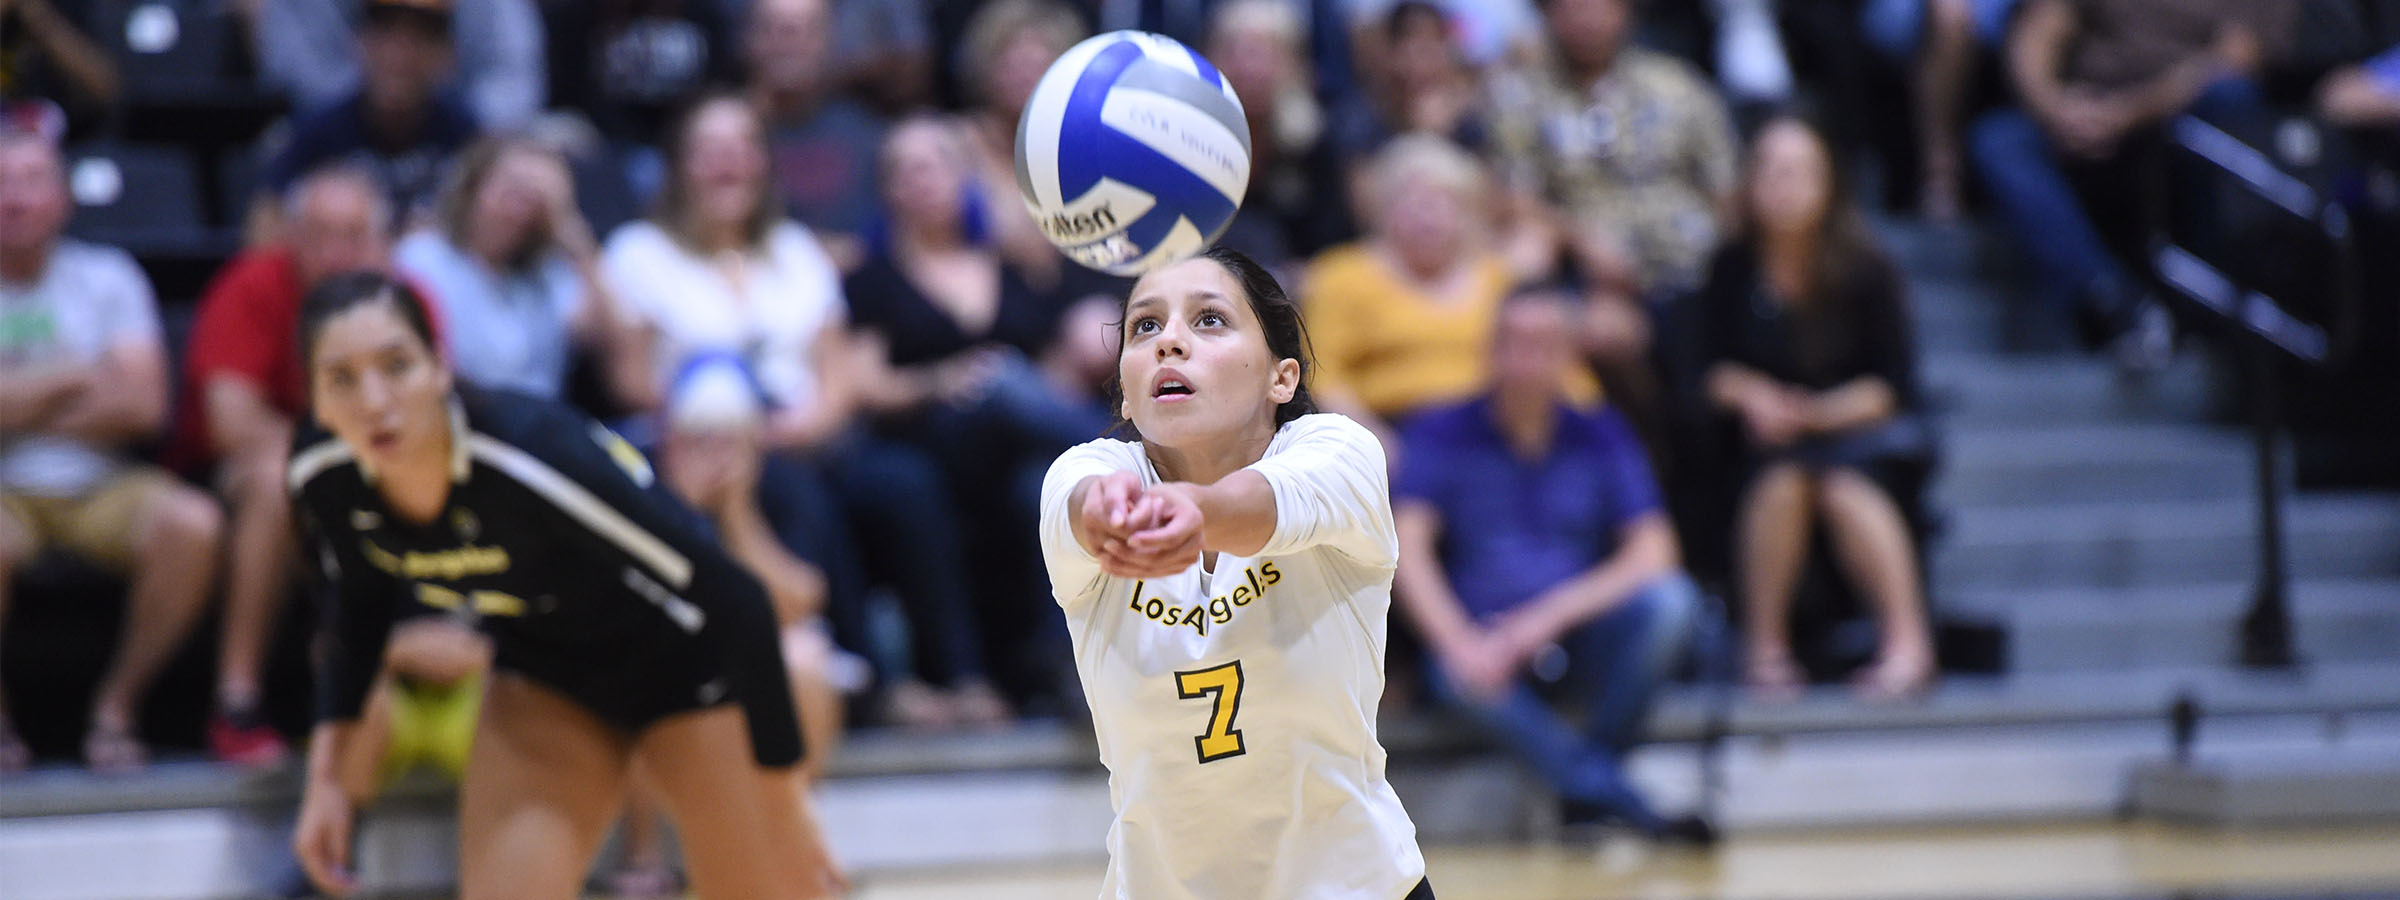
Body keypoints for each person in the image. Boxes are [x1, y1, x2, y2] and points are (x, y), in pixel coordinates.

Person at [286, 273, 843, 900]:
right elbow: (358, 605)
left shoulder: (528, 453)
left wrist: (785, 802)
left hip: (690, 665)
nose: (375, 401)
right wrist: (327, 783)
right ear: (315, 399)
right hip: (548, 675)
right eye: (342, 379)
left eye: (397, 365)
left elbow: (737, 599)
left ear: (441, 367)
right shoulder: (323, 472)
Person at [1038, 247, 1432, 899]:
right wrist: (1101, 514)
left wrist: (1192, 512)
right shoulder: (1083, 475)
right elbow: (1081, 506)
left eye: (1209, 320)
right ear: (1127, 396)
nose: (1169, 342)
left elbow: (1260, 506)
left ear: (1282, 378)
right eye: (1145, 326)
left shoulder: (1341, 454)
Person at [603, 94, 988, 729]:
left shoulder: (795, 252)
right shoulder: (640, 253)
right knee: (801, 495)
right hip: (697, 439)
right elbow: (632, 380)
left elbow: (834, 376)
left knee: (905, 485)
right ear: (679, 166)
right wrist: (729, 425)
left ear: (762, 164)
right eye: (709, 150)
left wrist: (809, 423)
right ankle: (861, 683)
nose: (727, 164)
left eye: (741, 148)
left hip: (799, 429)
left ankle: (959, 675)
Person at [1393, 286, 1712, 843]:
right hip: (1480, 644)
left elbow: (1655, 551)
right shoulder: (1441, 430)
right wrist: (1459, 642)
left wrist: (1542, 621)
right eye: (1508, 342)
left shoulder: (1601, 431)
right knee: (1452, 676)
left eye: (1540, 344)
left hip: (1577, 638)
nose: (1520, 358)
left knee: (1673, 603)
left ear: (1570, 356)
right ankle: (1616, 798)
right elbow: (1406, 549)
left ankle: (1588, 789)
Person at [847, 115, 1110, 718]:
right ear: (886, 190)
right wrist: (941, 380)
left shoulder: (1008, 265)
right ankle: (1130, 450)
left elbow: (1052, 367)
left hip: (1012, 450)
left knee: (1041, 486)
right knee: (998, 385)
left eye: (936, 164)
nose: (923, 180)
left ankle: (1063, 666)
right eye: (906, 170)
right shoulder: (873, 277)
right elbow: (865, 385)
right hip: (927, 438)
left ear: (962, 175)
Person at [0, 132, 222, 773]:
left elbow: (143, 407)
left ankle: (117, 707)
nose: (16, 198)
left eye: (32, 180)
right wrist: (70, 379)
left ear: (63, 197)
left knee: (193, 525)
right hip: (7, 490)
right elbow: (109, 394)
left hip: (103, 485)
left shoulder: (108, 278)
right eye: (3, 182)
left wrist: (15, 404)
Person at [1694, 115, 1936, 699]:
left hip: (1852, 432)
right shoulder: (1729, 267)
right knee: (1781, 482)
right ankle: (1765, 648)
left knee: (1843, 486)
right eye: (1772, 171)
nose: (1786, 185)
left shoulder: (1867, 267)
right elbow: (1704, 368)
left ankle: (1908, 645)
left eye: (1800, 172)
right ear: (1750, 184)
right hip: (1759, 442)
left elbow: (1892, 383)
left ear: (1829, 184)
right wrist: (1754, 396)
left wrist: (1818, 413)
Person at [183, 165, 399, 767]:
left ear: (380, 244)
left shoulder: (402, 302)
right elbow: (231, 423)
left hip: (361, 476)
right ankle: (238, 699)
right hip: (235, 477)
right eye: (321, 235)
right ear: (290, 238)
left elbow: (431, 419)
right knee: (281, 479)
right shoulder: (253, 284)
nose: (337, 254)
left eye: (354, 236)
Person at [1967, 0, 2288, 371]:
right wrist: (2053, 107)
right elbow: (2039, 30)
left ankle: (2208, 311)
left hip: (2179, 117)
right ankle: (2110, 299)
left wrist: (2126, 113)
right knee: (1999, 140)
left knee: (2230, 95)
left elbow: (2235, 59)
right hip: (2084, 112)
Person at [1304, 135, 1598, 457]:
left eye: (1441, 202)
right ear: (1383, 209)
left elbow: (1563, 369)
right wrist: (1371, 444)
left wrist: (1586, 434)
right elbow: (1322, 375)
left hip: (1501, 440)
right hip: (1390, 437)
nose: (1426, 215)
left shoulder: (1503, 279)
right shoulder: (1340, 276)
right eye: (1411, 201)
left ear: (1467, 214)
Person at [1492, 0, 1741, 301]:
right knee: (1525, 249)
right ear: (1548, 13)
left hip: (1689, 257)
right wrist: (1581, 242)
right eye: (1572, 7)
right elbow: (1517, 199)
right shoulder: (1521, 95)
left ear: (1627, 12)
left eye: (1601, 6)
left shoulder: (1676, 84)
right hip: (1584, 269)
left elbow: (1724, 186)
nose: (1586, 19)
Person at [395, 134, 625, 400]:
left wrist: (577, 241)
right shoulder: (423, 258)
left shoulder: (547, 274)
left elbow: (606, 339)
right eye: (511, 191)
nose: (519, 210)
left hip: (538, 425)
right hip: (459, 414)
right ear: (474, 186)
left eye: (535, 200)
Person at [255, 0, 482, 240]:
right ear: (358, 42)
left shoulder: (466, 134)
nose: (399, 55)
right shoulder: (319, 129)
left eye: (419, 40)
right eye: (386, 35)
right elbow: (265, 224)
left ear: (446, 55)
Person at [245, 0, 547, 130]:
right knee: (277, 139)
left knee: (555, 145)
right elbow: (298, 73)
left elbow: (514, 82)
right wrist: (381, 103)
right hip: (341, 130)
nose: (402, 49)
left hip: (464, 135)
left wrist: (446, 119)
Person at [747, 0, 890, 272]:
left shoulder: (866, 133)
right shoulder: (720, 134)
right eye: (774, 28)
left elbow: (882, 245)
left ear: (828, 41)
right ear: (749, 38)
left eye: (804, 30)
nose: (788, 42)